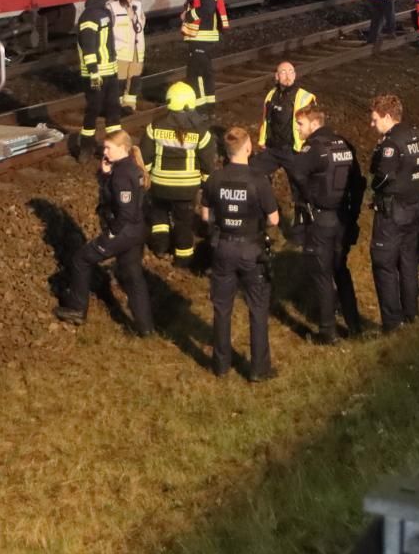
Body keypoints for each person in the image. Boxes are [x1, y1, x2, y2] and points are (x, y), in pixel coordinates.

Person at [56, 130, 155, 336]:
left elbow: (125, 211)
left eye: (109, 148)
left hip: (123, 232)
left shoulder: (121, 174)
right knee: (133, 276)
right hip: (137, 231)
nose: (105, 152)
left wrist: (112, 233)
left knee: (81, 259)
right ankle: (145, 327)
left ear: (123, 148)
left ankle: (77, 309)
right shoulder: (131, 168)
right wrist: (105, 173)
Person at [200, 125, 279, 381]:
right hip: (251, 250)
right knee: (257, 308)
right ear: (248, 148)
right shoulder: (259, 180)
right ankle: (259, 369)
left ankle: (220, 365)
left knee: (222, 308)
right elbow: (274, 219)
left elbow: (205, 215)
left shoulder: (215, 178)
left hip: (223, 247)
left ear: (227, 151)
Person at [291, 103, 364, 344]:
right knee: (341, 270)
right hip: (342, 218)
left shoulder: (313, 148)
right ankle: (354, 325)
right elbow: (357, 182)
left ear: (314, 123)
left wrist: (308, 200)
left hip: (321, 219)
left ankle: (327, 332)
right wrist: (353, 214)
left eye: (300, 124)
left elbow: (297, 174)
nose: (298, 129)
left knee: (322, 274)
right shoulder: (343, 144)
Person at [367, 93, 419, 333]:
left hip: (392, 213)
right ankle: (412, 313)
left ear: (387, 116)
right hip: (413, 207)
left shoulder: (391, 144)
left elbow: (382, 176)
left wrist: (374, 188)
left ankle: (392, 323)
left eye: (375, 119)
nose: (372, 124)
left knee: (384, 265)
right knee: (408, 262)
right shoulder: (416, 134)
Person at [142, 81, 214, 264]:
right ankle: (183, 259)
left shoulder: (155, 126)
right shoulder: (200, 131)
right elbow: (207, 160)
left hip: (160, 185)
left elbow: (146, 156)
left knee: (159, 215)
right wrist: (206, 181)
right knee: (183, 222)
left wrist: (146, 176)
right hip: (186, 189)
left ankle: (160, 247)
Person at [253, 61, 315, 232]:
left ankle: (302, 228)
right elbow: (266, 121)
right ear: (276, 76)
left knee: (301, 187)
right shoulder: (270, 95)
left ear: (295, 75)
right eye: (283, 72)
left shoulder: (304, 97)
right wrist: (263, 141)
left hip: (294, 151)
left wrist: (307, 149)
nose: (287, 76)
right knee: (253, 171)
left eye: (290, 72)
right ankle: (262, 213)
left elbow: (311, 126)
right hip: (273, 150)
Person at [181, 0, 229, 110]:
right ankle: (207, 107)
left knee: (196, 74)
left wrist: (188, 15)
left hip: (202, 35)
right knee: (203, 72)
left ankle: (202, 109)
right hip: (198, 35)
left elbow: (208, 8)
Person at [77, 0, 122, 144]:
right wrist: (94, 72)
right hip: (96, 74)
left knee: (113, 109)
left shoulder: (103, 13)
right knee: (93, 110)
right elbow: (88, 46)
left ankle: (115, 144)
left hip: (109, 71)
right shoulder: (89, 16)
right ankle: (86, 147)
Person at [111, 0, 146, 111]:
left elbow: (141, 26)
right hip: (121, 51)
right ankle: (117, 107)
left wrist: (134, 17)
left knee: (135, 79)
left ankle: (130, 106)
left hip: (137, 50)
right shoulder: (112, 7)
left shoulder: (138, 5)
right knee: (119, 81)